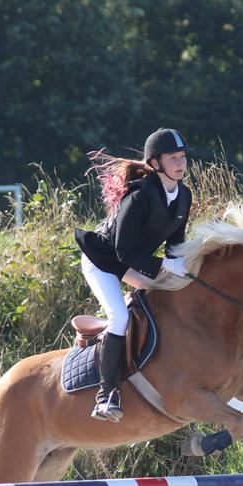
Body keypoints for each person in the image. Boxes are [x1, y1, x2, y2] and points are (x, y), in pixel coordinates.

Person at [74, 128, 193, 422]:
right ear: (155, 164)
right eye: (173, 158)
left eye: (182, 157)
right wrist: (163, 268)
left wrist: (181, 266)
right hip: (101, 261)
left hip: (131, 262)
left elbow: (176, 242)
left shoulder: (183, 196)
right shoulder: (139, 197)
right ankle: (106, 395)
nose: (180, 163)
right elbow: (123, 251)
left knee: (172, 300)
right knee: (120, 317)